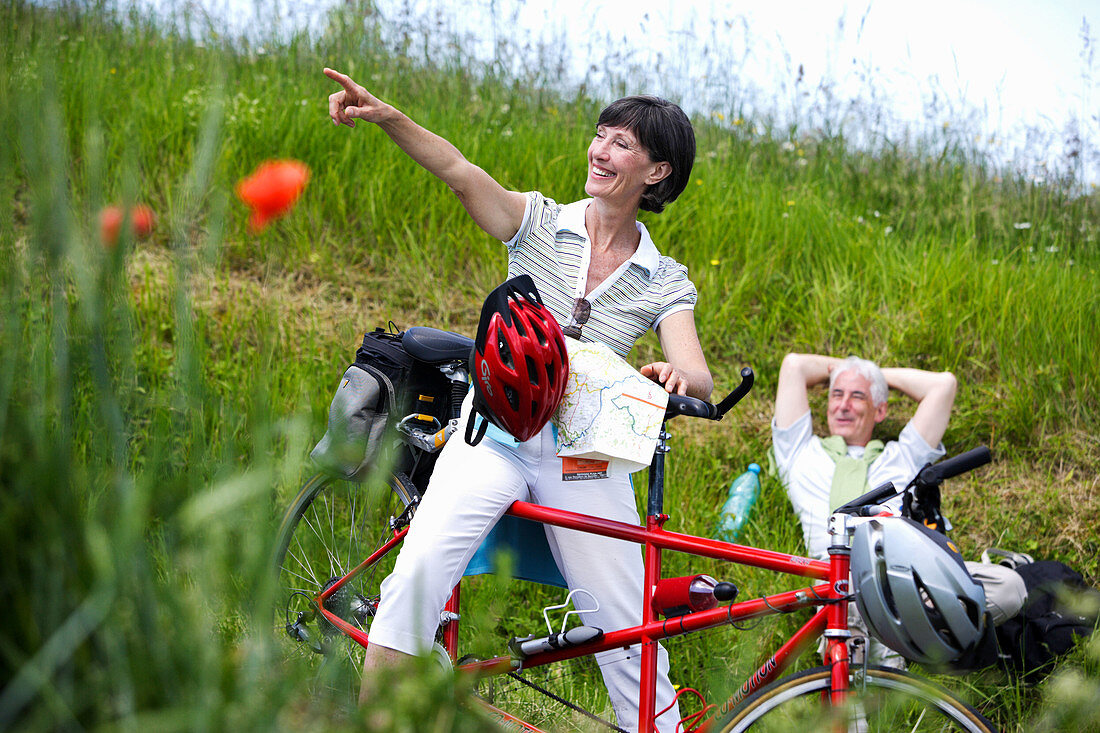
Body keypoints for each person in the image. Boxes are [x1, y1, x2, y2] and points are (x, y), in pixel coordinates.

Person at [324, 67, 713, 732]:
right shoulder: (537, 221)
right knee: (413, 583)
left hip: (584, 457)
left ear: (657, 172)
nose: (600, 151)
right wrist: (387, 116)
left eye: (622, 143)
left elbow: (697, 373)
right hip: (493, 433)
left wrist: (677, 379)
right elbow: (457, 169)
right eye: (599, 136)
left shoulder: (662, 278)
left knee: (626, 627)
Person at [772, 353, 1026, 666]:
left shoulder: (903, 456)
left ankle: (908, 632)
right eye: (836, 394)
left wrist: (873, 375)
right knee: (849, 590)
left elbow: (943, 385)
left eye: (857, 396)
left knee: (1010, 588)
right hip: (838, 572)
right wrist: (854, 371)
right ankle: (873, 674)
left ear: (880, 410)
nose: (843, 405)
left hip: (905, 570)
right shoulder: (799, 452)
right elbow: (794, 365)